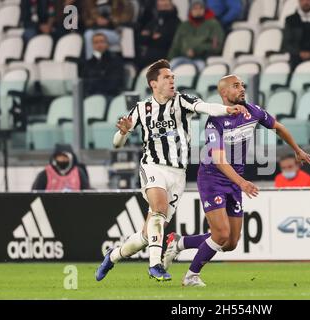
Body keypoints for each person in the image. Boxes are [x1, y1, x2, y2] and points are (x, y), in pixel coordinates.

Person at [95, 59, 247, 282]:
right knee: (158, 208)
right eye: (167, 77)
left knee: (148, 235)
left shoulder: (182, 101)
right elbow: (117, 143)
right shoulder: (141, 109)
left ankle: (113, 255)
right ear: (153, 83)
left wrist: (226, 110)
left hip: (178, 174)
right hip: (153, 166)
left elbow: (205, 107)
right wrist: (124, 133)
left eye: (173, 77)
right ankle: (155, 265)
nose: (172, 81)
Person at [163, 75, 310, 287]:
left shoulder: (253, 111)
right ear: (224, 93)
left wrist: (297, 150)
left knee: (230, 243)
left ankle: (180, 242)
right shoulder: (215, 121)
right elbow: (219, 159)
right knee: (221, 234)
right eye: (236, 86)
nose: (241, 88)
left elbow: (278, 127)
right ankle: (191, 276)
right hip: (212, 179)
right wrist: (242, 182)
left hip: (235, 181)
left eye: (242, 85)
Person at [168, 0, 224, 71]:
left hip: (202, 59)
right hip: (183, 57)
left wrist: (197, 50)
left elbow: (216, 46)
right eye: (195, 8)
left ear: (204, 10)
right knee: (171, 65)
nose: (198, 11)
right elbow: (176, 45)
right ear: (190, 10)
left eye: (200, 8)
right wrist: (169, 59)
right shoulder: (184, 26)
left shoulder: (213, 24)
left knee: (200, 68)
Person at [136, 0, 181, 69]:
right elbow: (141, 38)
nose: (163, 9)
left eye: (165, 6)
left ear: (172, 6)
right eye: (160, 6)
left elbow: (167, 41)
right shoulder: (154, 22)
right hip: (146, 60)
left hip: (165, 59)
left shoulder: (177, 23)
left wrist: (150, 37)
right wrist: (152, 36)